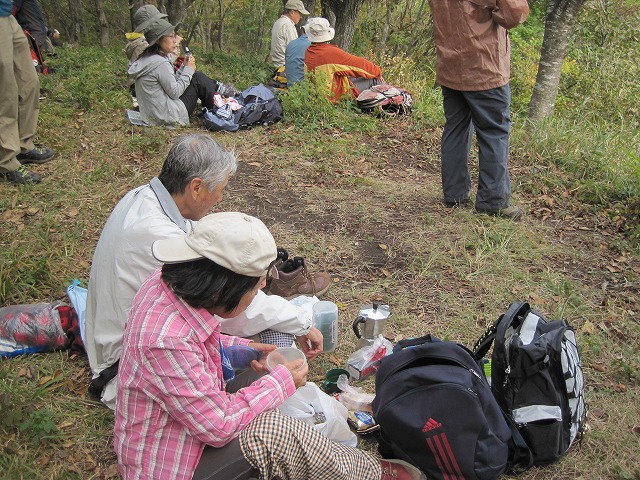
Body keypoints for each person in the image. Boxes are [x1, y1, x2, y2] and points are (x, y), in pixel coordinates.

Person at [114, 211, 427, 480]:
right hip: (173, 464)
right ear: (226, 288)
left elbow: (197, 348)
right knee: (273, 431)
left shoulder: (170, 283)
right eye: (256, 287)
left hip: (187, 425)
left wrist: (244, 349)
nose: (260, 292)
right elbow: (217, 425)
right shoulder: (166, 341)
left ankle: (320, 451)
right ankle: (370, 473)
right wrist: (282, 381)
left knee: (265, 375)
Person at [85, 134, 325, 410]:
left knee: (267, 335)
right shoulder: (158, 236)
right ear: (196, 187)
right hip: (126, 370)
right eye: (220, 189)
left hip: (117, 340)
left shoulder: (141, 197)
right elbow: (225, 306)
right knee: (270, 349)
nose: (221, 198)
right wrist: (301, 321)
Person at [428, 0, 529, 219]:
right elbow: (515, 14)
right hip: (484, 66)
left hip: (450, 62)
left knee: (456, 127)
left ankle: (454, 193)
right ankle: (493, 201)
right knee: (494, 132)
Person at [128, 16, 229, 127]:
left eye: (174, 36)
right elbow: (175, 92)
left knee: (196, 77)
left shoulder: (147, 59)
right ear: (158, 40)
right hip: (168, 116)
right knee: (197, 78)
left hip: (153, 115)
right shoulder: (160, 63)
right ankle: (221, 113)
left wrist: (184, 67)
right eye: (171, 36)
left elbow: (170, 83)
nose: (175, 41)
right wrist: (189, 69)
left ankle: (218, 105)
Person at [1, 0, 55, 184]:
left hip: (7, 14)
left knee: (28, 83)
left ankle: (24, 145)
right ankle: (6, 162)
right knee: (5, 92)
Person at [304, 17, 383, 103]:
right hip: (335, 98)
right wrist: (378, 72)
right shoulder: (330, 53)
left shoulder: (309, 51)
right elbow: (360, 65)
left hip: (317, 96)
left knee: (353, 75)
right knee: (375, 79)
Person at [270, 0, 309, 69]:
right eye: (300, 14)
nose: (301, 17)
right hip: (286, 67)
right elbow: (295, 49)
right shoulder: (288, 24)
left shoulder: (279, 22)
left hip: (278, 64)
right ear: (292, 12)